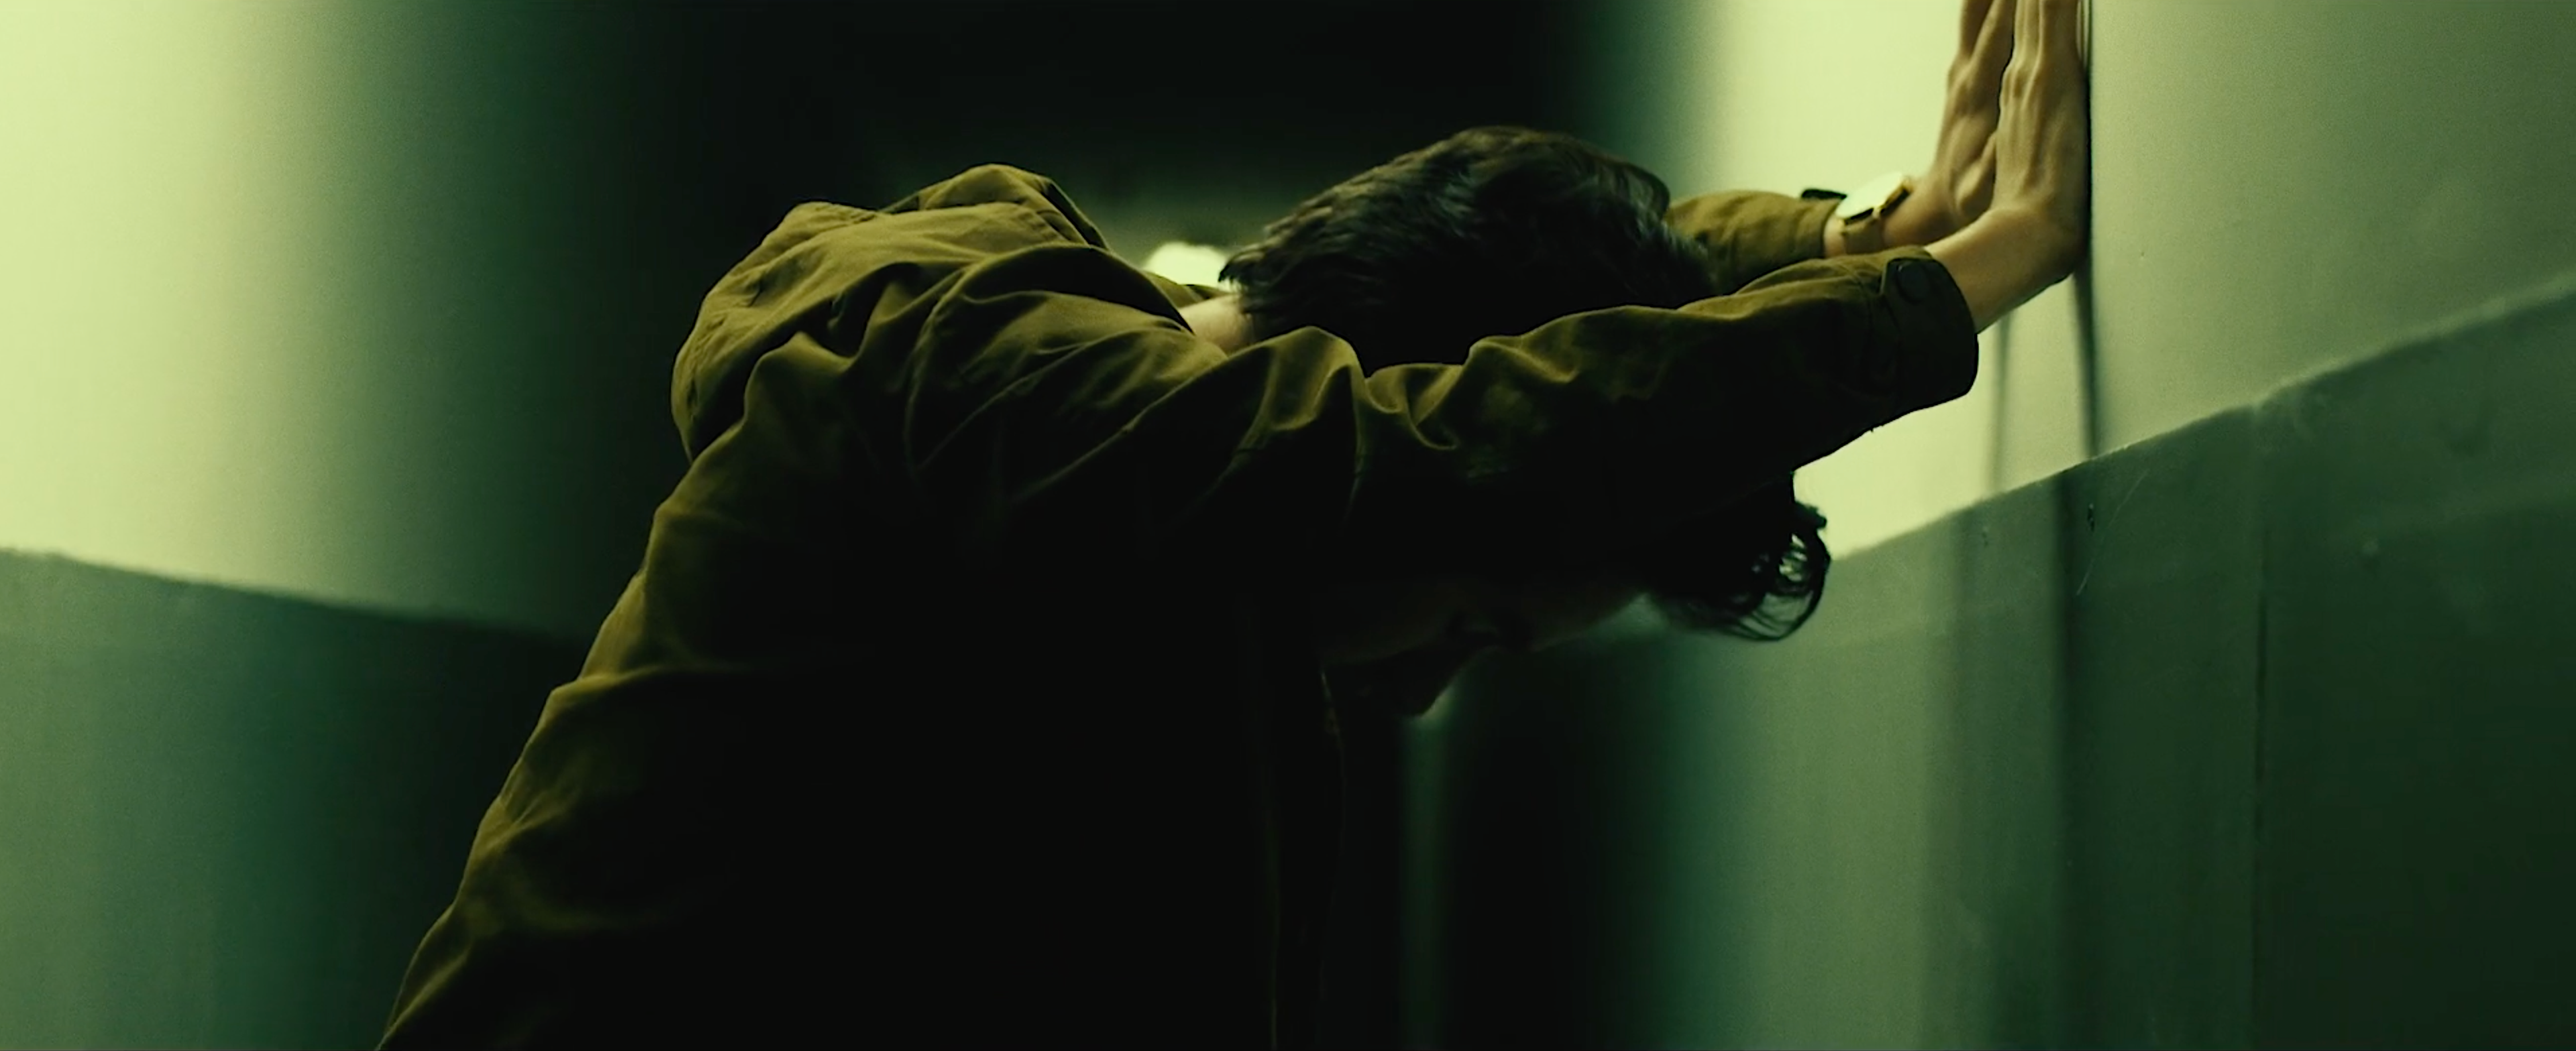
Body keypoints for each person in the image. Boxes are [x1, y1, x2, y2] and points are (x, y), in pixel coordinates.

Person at [376, 0, 2086, 1046]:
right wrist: (1950, 287)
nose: (1418, 691)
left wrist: (1843, 243)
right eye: (1465, 622)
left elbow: (1472, 339)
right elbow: (1441, 439)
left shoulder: (1116, 415)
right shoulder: (1021, 403)